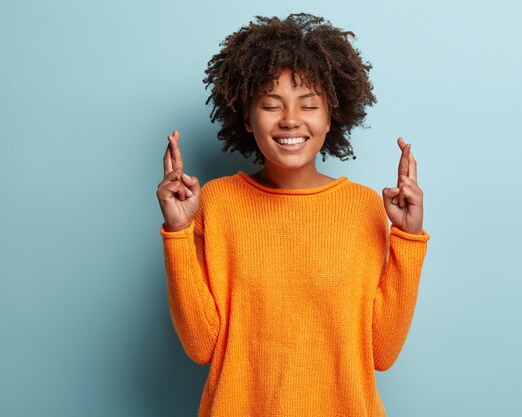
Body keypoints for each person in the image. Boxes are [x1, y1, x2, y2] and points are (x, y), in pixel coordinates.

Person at [156, 13, 430, 417]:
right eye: (270, 104)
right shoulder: (216, 203)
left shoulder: (363, 207)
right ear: (247, 117)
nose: (290, 119)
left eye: (309, 105)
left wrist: (407, 238)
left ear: (330, 116)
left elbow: (382, 353)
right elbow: (200, 346)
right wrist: (178, 231)